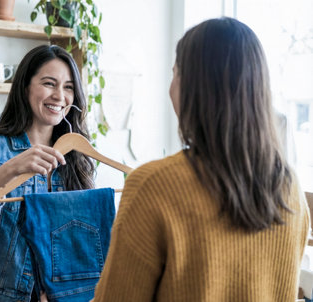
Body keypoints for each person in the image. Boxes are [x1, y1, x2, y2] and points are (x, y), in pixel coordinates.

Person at [92, 17, 310, 301]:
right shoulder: (290, 188)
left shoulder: (153, 187)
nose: (170, 89)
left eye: (175, 74)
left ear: (192, 88)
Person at [0, 45, 95, 302]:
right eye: (49, 83)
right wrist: (11, 169)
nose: (60, 96)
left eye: (69, 87)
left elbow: (79, 240)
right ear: (25, 87)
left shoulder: (76, 156)